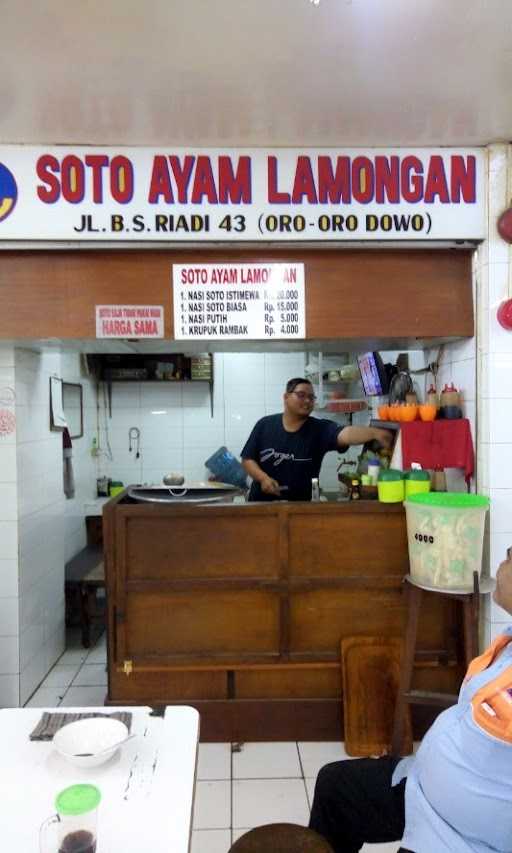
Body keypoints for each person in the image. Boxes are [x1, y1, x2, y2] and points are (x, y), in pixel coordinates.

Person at [309, 551, 512, 853]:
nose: (501, 563)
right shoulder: (507, 642)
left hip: (462, 837)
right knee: (337, 787)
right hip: (423, 789)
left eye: (510, 557)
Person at [240, 377, 392, 502]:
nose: (307, 400)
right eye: (301, 395)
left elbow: (346, 434)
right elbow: (247, 459)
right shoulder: (265, 425)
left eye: (311, 397)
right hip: (260, 506)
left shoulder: (319, 429)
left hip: (299, 510)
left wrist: (374, 433)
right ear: (286, 397)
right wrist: (263, 479)